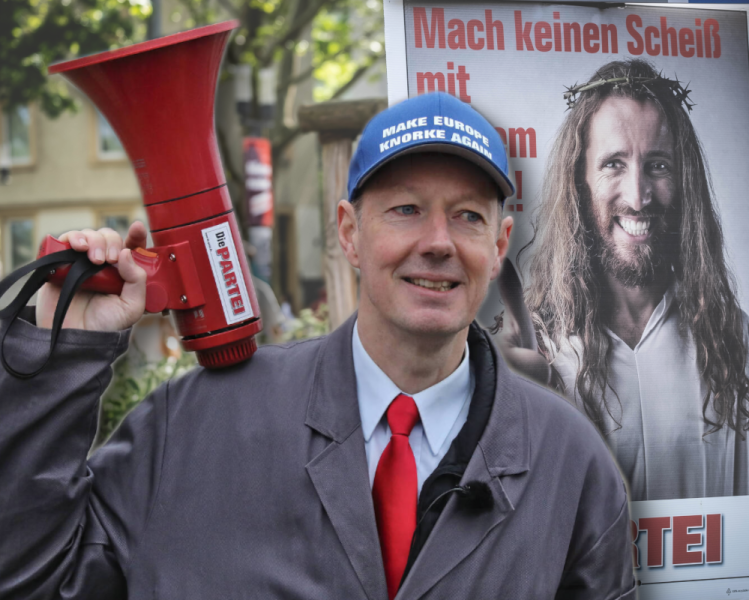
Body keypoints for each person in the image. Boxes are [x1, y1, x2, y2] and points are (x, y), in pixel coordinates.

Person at [0, 92, 634, 599]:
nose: (439, 241)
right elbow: (29, 577)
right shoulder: (192, 425)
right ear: (349, 233)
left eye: (468, 215)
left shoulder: (571, 465)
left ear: (499, 246)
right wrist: (61, 352)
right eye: (406, 209)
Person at [497, 59, 749, 502]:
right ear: (579, 180)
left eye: (657, 165)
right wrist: (504, 400)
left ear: (684, 181)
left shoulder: (732, 336)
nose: (638, 197)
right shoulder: (539, 345)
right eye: (614, 164)